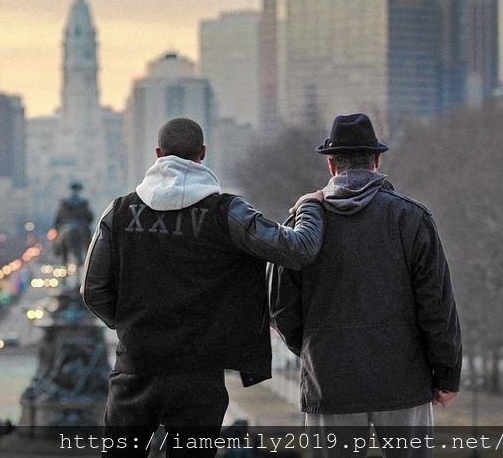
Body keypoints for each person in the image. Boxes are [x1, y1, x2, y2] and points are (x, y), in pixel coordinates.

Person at [81, 117, 325, 457]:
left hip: (136, 365)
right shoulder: (227, 212)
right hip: (199, 372)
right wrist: (311, 205)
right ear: (202, 154)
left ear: (157, 154)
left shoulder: (119, 212)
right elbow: (299, 249)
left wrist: (131, 324)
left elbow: (92, 291)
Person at [270, 113, 462, 457]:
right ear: (376, 161)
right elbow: (437, 307)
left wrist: (316, 349)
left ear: (331, 166)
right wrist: (447, 375)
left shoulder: (300, 225)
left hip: (330, 383)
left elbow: (281, 307)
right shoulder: (412, 219)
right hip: (404, 380)